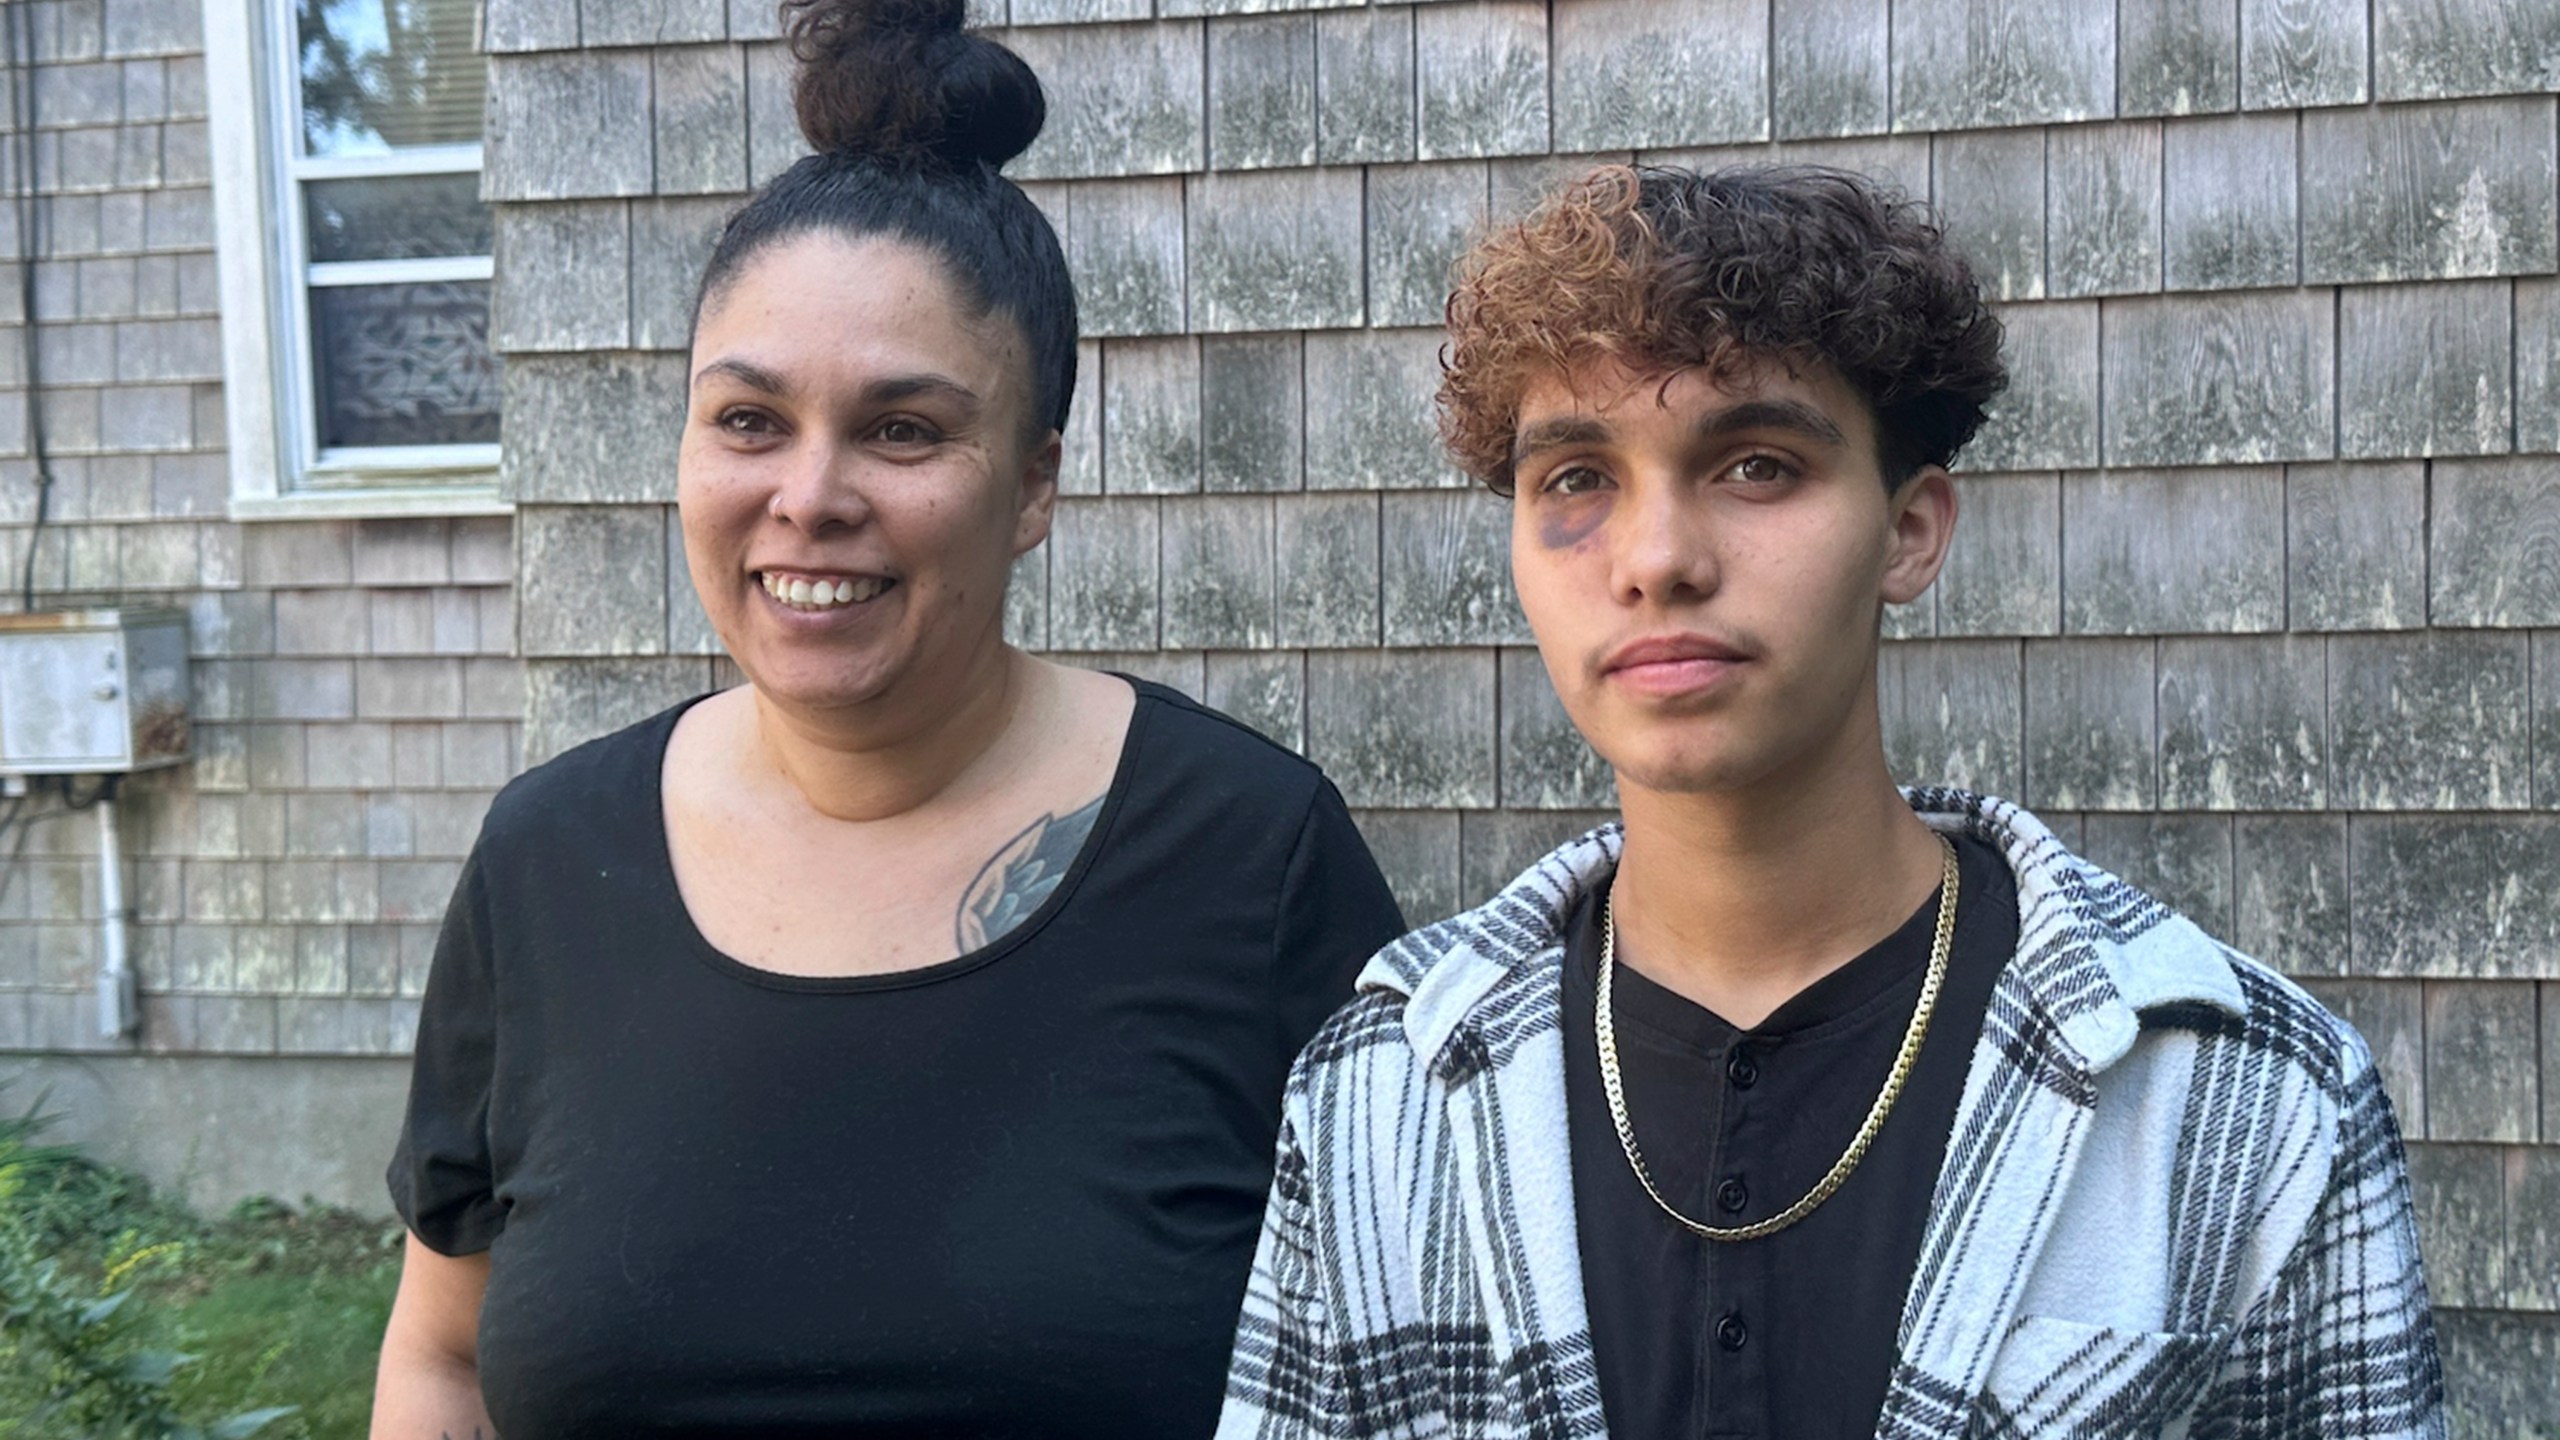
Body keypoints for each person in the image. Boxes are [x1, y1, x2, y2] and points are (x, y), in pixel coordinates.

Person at [1220, 164, 2444, 1439]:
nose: (1656, 561)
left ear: (1909, 532)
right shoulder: (1378, 1093)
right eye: (1577, 479)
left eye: (1753, 465)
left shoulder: (2246, 1102)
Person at [368, 2, 1404, 1434]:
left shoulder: (1253, 858)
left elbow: (1408, 1369)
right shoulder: (548, 862)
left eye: (904, 430)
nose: (811, 495)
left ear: (1033, 486)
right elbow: (444, 1357)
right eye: (747, 420)